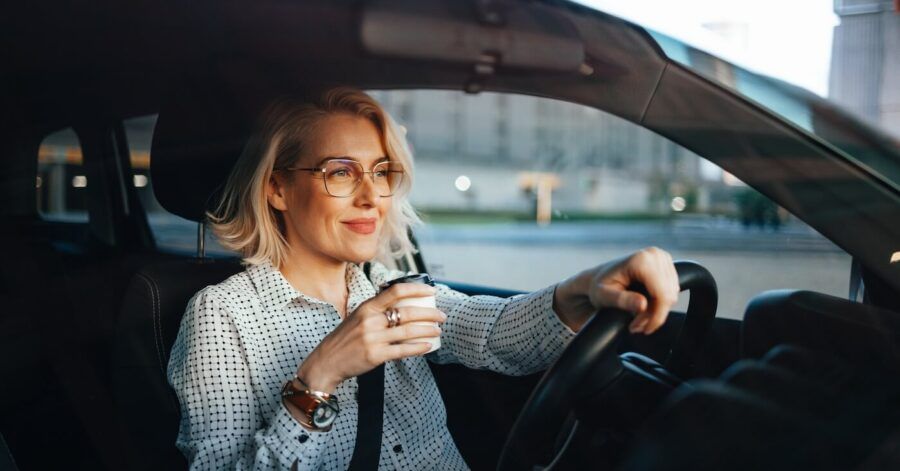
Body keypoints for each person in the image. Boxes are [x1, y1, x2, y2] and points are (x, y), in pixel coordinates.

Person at [167, 87, 681, 470]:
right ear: (277, 188)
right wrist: (317, 380)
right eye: (341, 172)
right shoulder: (223, 315)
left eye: (381, 171)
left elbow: (496, 331)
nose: (372, 197)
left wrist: (586, 288)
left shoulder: (390, 287)